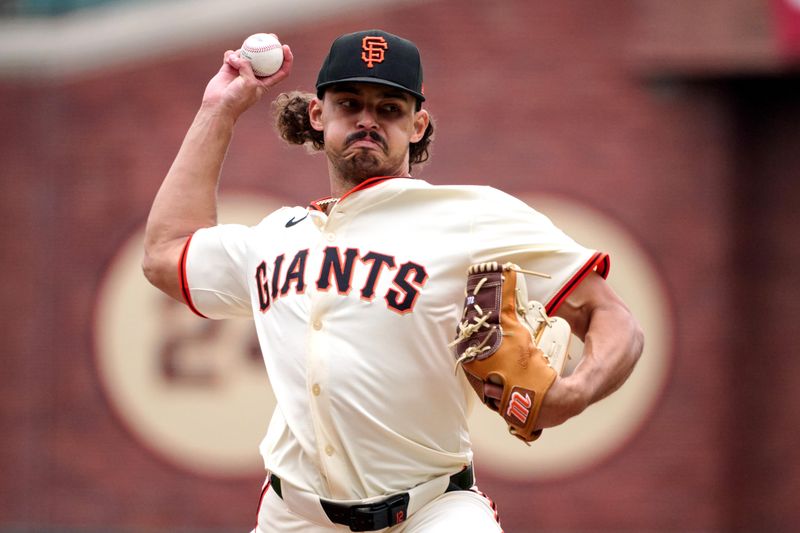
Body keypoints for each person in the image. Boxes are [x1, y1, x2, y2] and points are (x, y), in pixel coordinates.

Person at [143, 29, 643, 533]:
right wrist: (218, 110)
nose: (367, 119)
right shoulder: (274, 239)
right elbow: (165, 254)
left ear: (417, 125)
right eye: (349, 103)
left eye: (389, 108)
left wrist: (575, 392)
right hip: (295, 517)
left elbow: (612, 316)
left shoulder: (471, 215)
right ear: (318, 115)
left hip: (431, 511)